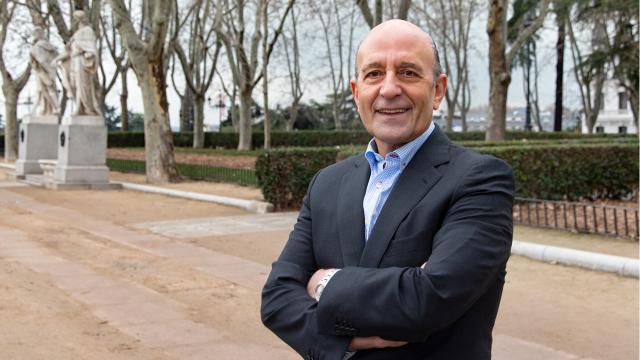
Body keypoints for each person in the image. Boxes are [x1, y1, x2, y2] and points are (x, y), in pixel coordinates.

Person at [261, 19, 515, 360]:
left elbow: (427, 300)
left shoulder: (480, 179)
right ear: (356, 92)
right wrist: (341, 342)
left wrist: (324, 283)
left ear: (437, 90)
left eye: (408, 72)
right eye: (374, 74)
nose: (390, 88)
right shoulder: (327, 184)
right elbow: (277, 298)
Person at [56, 10, 100, 116]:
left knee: (83, 85)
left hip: (82, 61)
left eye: (75, 19)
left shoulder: (88, 31)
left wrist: (89, 53)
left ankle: (86, 108)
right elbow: (68, 51)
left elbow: (91, 46)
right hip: (74, 62)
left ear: (78, 19)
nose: (73, 21)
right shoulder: (76, 34)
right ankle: (79, 107)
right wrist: (56, 59)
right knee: (74, 85)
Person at [29, 27, 59, 116]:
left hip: (43, 71)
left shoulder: (37, 46)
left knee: (43, 90)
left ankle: (55, 107)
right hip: (47, 70)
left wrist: (47, 71)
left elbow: (41, 60)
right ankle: (53, 107)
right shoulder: (48, 45)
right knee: (43, 90)